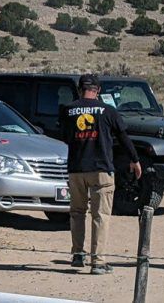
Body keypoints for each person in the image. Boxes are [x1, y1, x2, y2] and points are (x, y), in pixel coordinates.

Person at [60, 74, 142, 275]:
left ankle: (78, 254)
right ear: (98, 91)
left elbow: (64, 137)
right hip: (101, 170)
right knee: (101, 215)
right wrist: (134, 159)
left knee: (77, 213)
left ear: (80, 90)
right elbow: (123, 137)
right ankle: (98, 262)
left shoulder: (68, 111)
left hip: (76, 169)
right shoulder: (108, 111)